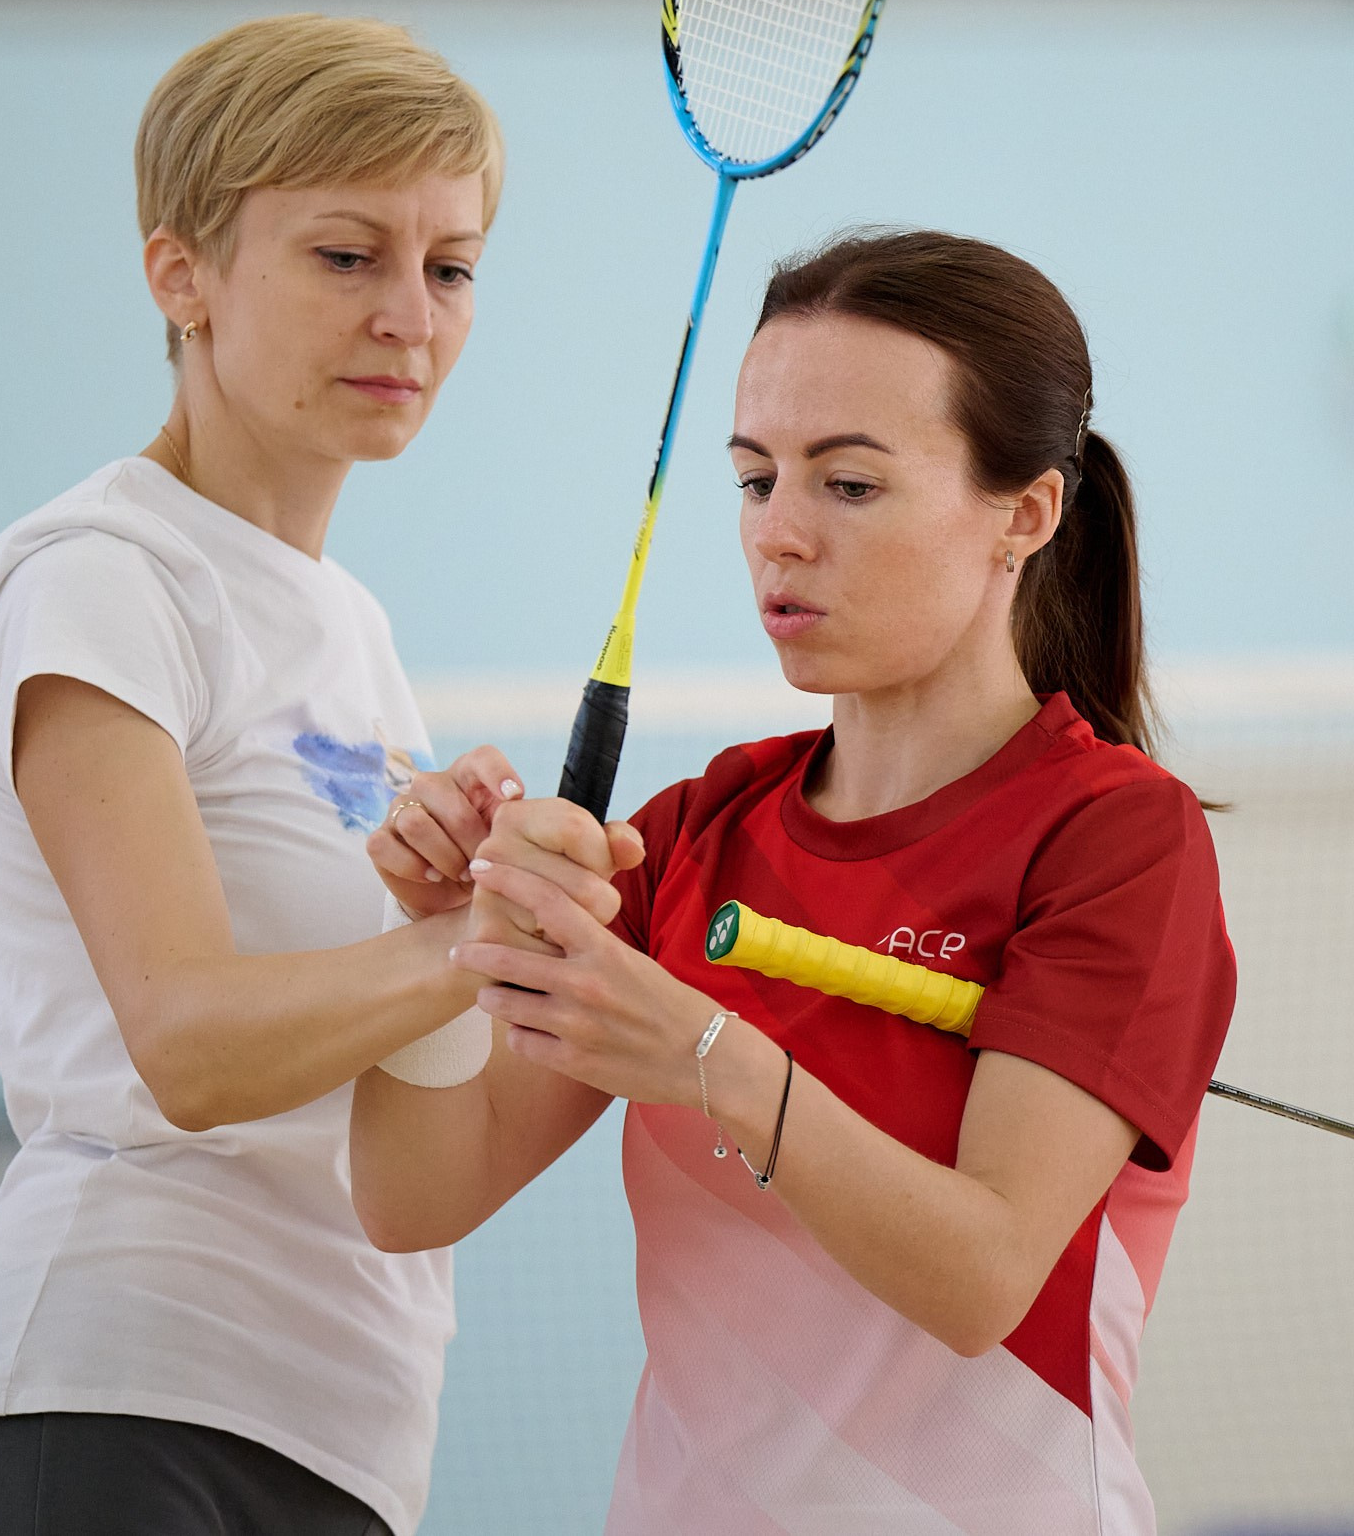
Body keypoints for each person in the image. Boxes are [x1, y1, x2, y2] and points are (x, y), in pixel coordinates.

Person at [352, 229, 1238, 1533]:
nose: (781, 536)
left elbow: (981, 1278)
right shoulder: (694, 829)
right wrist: (438, 942)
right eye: (757, 481)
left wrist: (707, 1053)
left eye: (852, 486)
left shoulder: (1116, 840)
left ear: (1027, 514)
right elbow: (417, 1194)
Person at [0, 14, 524, 1536]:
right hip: (104, 1421)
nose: (409, 319)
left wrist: (495, 929)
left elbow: (410, 1157)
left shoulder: (351, 635)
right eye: (345, 257)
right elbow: (188, 1045)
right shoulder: (105, 578)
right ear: (182, 276)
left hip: (331, 1443)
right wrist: (452, 949)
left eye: (451, 266)